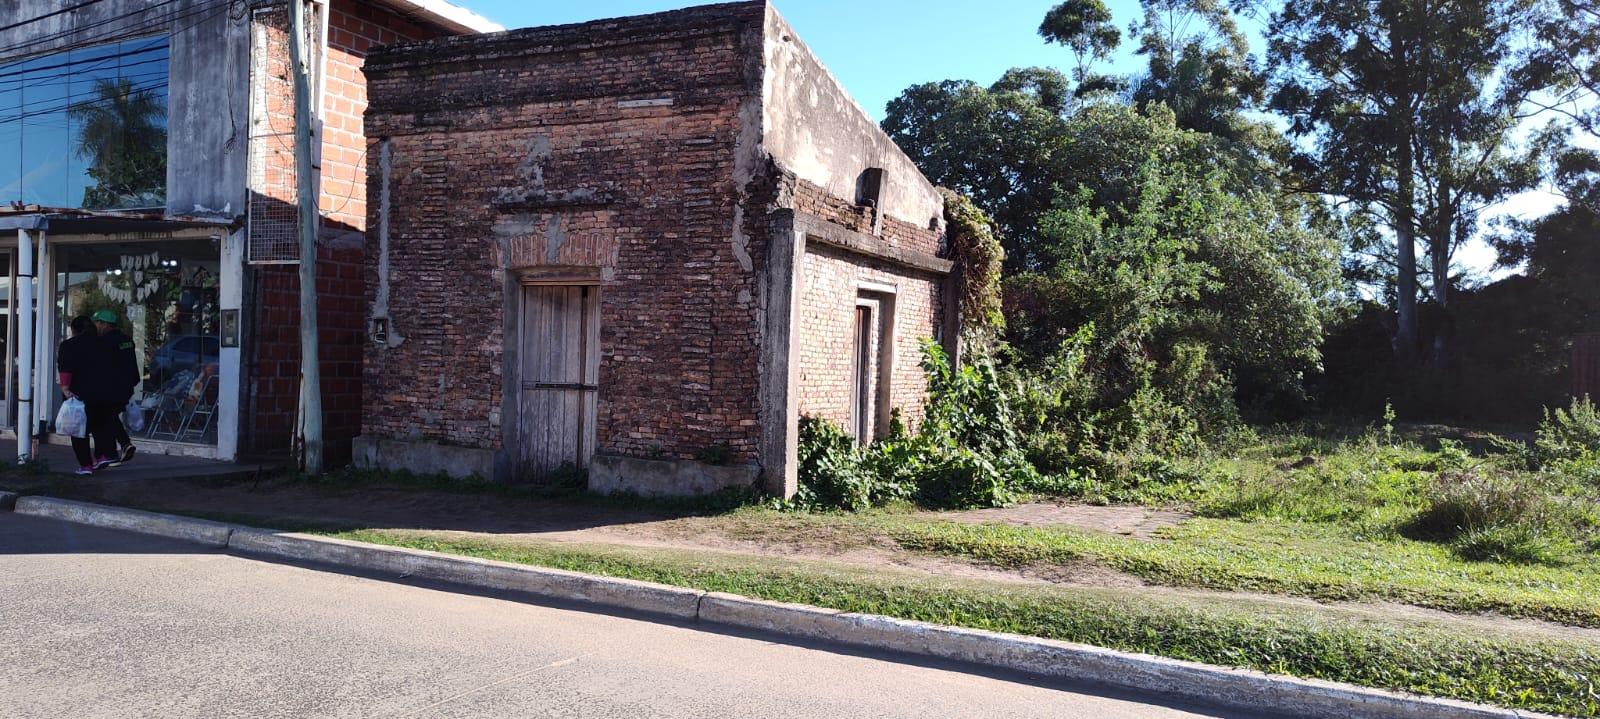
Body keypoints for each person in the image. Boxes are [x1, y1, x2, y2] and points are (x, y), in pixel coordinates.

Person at [57, 316, 119, 475]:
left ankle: (86, 465)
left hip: (79, 394)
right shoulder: (105, 344)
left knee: (78, 429)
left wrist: (65, 388)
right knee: (100, 425)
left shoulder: (69, 345)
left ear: (74, 330)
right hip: (105, 392)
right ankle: (102, 455)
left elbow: (66, 369)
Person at [92, 309, 139, 464]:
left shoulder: (104, 342)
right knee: (110, 417)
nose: (96, 326)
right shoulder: (126, 339)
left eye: (97, 323)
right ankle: (123, 446)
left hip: (111, 387)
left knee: (105, 417)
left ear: (105, 324)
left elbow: (102, 367)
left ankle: (115, 451)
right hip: (126, 386)